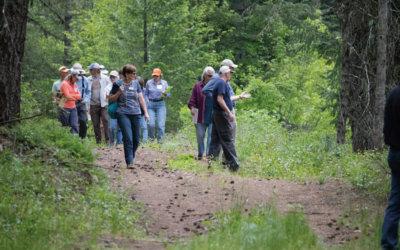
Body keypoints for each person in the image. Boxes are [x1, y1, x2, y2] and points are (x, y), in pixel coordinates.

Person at [202, 59, 250, 161]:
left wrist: (240, 97)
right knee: (228, 137)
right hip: (223, 111)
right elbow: (206, 90)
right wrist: (219, 102)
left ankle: (216, 160)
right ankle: (229, 162)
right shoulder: (218, 79)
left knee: (218, 137)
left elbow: (226, 97)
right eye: (231, 69)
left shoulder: (224, 81)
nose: (232, 71)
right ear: (226, 70)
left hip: (225, 110)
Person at [109, 65, 149, 169]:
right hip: (123, 113)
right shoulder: (118, 84)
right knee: (128, 138)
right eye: (133, 73)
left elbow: (141, 98)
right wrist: (119, 92)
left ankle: (131, 155)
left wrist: (145, 112)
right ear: (127, 74)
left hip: (135, 113)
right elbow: (111, 99)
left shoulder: (136, 84)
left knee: (136, 140)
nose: (135, 75)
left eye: (135, 73)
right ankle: (129, 161)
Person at [208, 66, 239, 171]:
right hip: (221, 114)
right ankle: (233, 165)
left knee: (215, 139)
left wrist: (239, 97)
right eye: (230, 73)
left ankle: (211, 163)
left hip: (216, 114)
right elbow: (220, 99)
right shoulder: (222, 83)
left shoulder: (218, 82)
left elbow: (225, 99)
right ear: (226, 74)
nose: (231, 75)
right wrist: (229, 112)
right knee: (227, 139)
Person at [382, 83, 400, 250]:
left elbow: (386, 128)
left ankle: (388, 244)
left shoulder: (393, 93)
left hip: (394, 153)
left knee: (395, 202)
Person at [188, 66, 215, 160]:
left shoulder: (215, 86)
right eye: (209, 75)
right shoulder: (197, 85)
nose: (211, 77)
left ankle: (208, 154)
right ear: (204, 76)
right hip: (198, 115)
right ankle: (200, 153)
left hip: (212, 116)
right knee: (200, 135)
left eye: (213, 76)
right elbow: (192, 99)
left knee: (211, 136)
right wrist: (191, 108)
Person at [87, 62, 112, 144]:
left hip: (103, 103)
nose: (90, 71)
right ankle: (98, 141)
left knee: (105, 120)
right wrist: (87, 106)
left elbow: (110, 87)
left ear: (97, 70)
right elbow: (87, 92)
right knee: (95, 123)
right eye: (90, 70)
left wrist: (108, 94)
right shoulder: (88, 79)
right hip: (93, 104)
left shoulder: (105, 78)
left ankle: (108, 140)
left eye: (92, 70)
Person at [145, 68, 170, 143]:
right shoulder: (149, 83)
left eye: (157, 76)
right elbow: (146, 94)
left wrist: (165, 94)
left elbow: (168, 94)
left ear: (160, 76)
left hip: (161, 104)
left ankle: (160, 142)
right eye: (154, 75)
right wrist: (147, 101)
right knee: (150, 124)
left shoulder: (164, 83)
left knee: (161, 125)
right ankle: (151, 140)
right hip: (151, 104)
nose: (155, 77)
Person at [71, 63, 91, 139]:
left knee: (83, 120)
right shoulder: (69, 79)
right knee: (72, 121)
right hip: (71, 102)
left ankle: (82, 139)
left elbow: (88, 92)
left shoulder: (85, 80)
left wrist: (85, 100)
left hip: (81, 102)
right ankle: (73, 138)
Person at [59, 69, 81, 134]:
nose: (78, 80)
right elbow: (67, 96)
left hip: (73, 107)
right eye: (76, 78)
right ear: (72, 76)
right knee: (65, 126)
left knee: (74, 125)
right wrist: (75, 96)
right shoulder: (64, 84)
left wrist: (72, 96)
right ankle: (65, 141)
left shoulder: (75, 85)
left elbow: (79, 95)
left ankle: (74, 141)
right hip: (64, 107)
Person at [108, 70, 123, 147]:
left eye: (113, 77)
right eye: (110, 77)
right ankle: (111, 141)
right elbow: (110, 98)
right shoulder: (110, 85)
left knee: (120, 127)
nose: (112, 78)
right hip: (113, 108)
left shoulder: (124, 84)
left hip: (121, 108)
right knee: (111, 127)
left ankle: (118, 143)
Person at [137, 76, 148, 143]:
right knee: (137, 128)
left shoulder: (145, 90)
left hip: (143, 112)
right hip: (136, 112)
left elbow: (146, 100)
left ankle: (145, 141)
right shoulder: (133, 91)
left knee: (144, 127)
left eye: (140, 84)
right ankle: (138, 141)